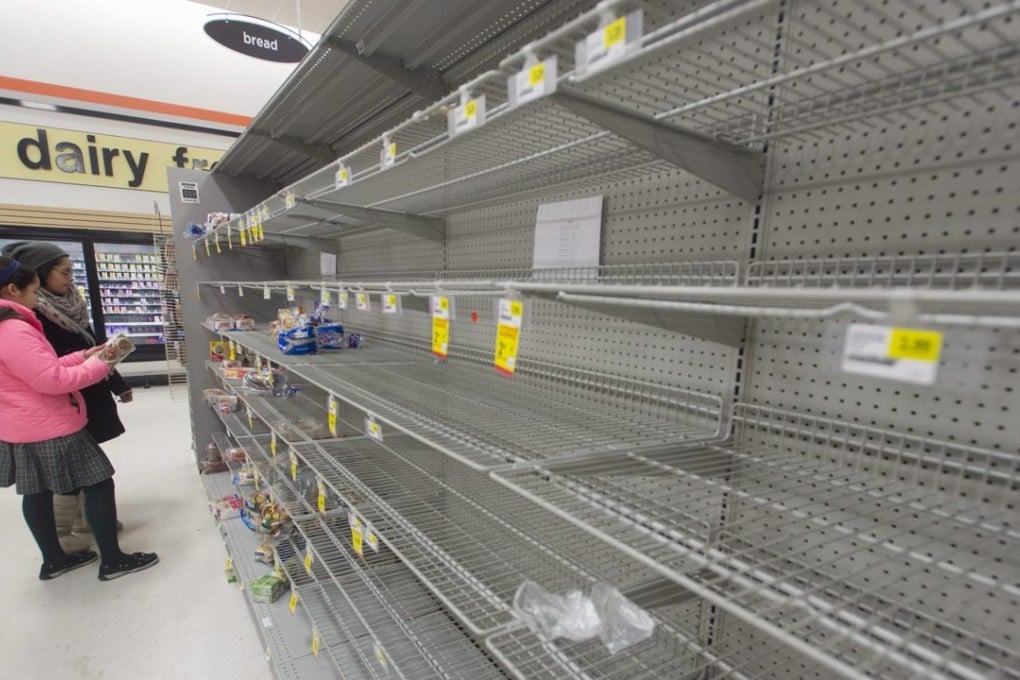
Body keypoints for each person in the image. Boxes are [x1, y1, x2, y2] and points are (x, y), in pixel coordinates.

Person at [0, 255, 158, 581]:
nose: (37, 298)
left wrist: (85, 354)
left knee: (37, 491)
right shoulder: (12, 329)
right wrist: (103, 364)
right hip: (49, 423)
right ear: (12, 290)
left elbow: (45, 367)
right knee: (99, 482)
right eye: (32, 292)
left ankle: (54, 560)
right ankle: (112, 560)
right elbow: (52, 381)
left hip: (20, 424)